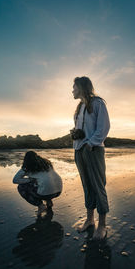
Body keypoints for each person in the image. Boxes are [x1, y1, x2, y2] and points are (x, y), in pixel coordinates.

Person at [71, 76, 110, 240]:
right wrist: (75, 133)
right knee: (87, 185)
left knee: (98, 186)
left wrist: (90, 143)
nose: (72, 90)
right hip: (79, 149)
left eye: (74, 87)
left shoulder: (98, 103)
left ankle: (102, 225)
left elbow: (104, 127)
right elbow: (83, 128)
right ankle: (89, 220)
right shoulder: (79, 107)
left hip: (93, 150)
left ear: (81, 87)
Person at [13, 151, 62, 216]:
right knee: (44, 182)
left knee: (21, 187)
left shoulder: (27, 167)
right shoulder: (46, 163)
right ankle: (49, 202)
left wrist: (30, 179)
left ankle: (40, 205)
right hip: (58, 191)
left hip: (45, 193)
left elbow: (15, 180)